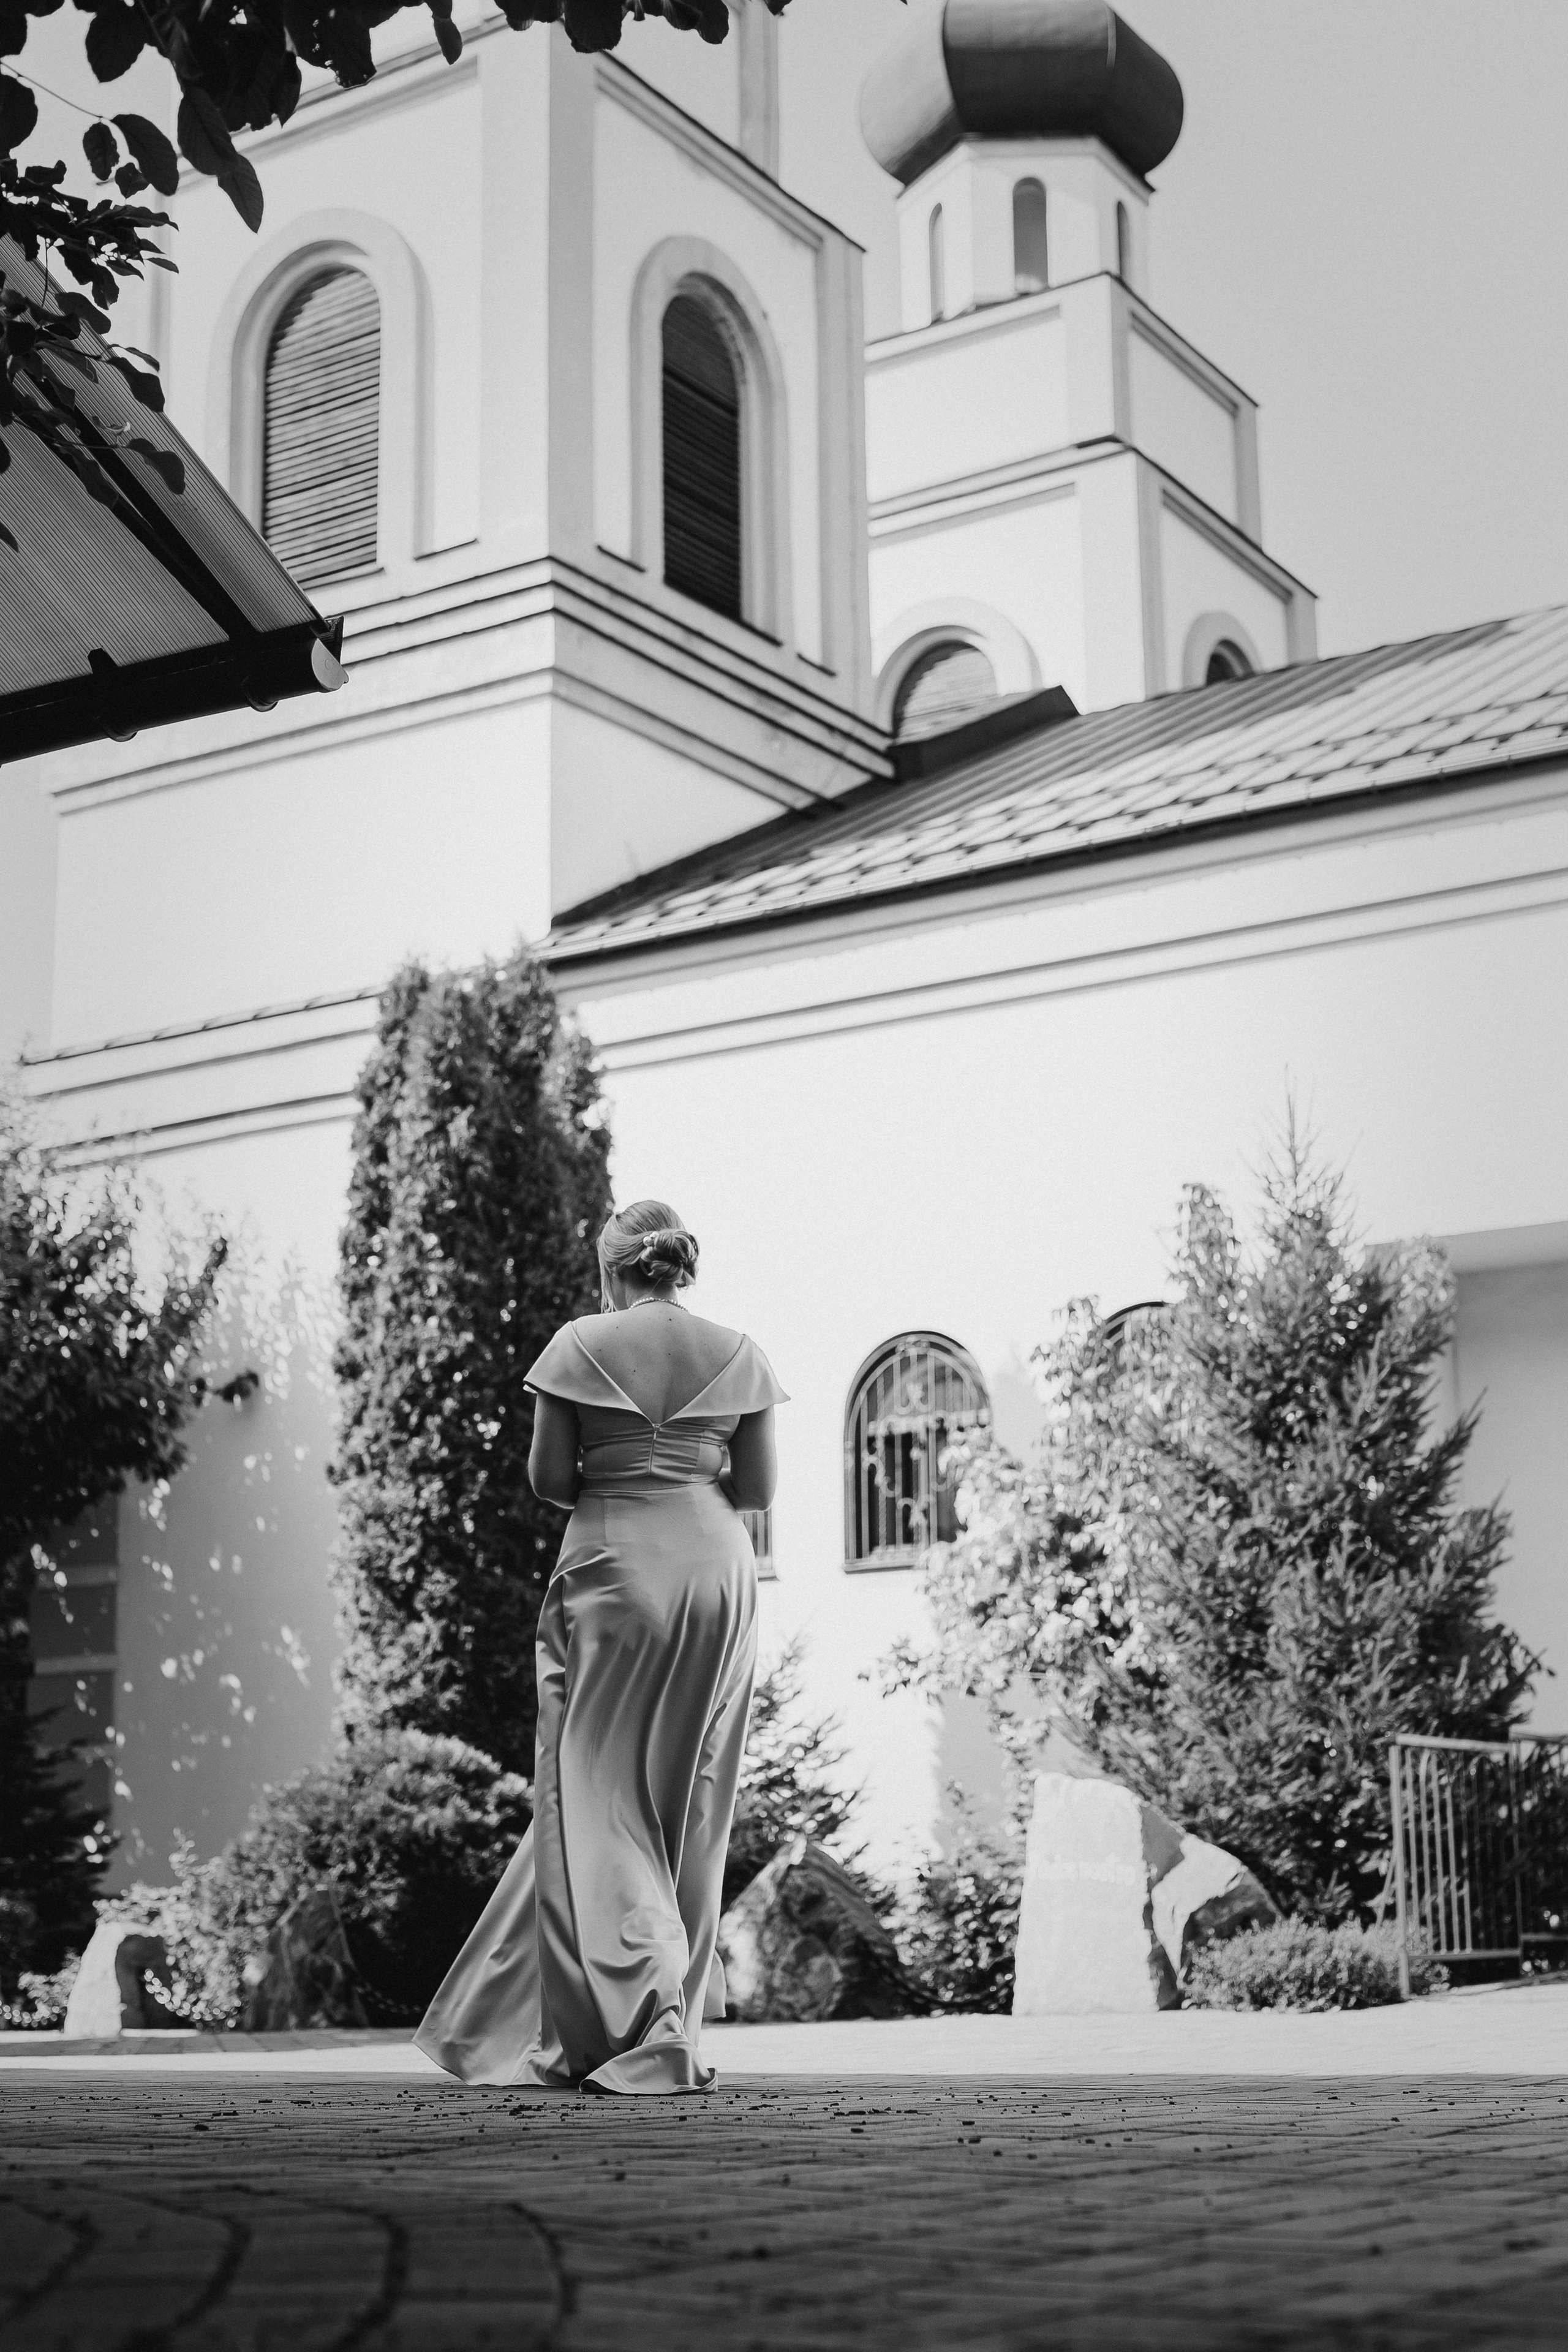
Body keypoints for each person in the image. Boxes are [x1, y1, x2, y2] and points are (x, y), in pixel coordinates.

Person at [415, 1199, 786, 2094]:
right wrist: (688, 1465)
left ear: (612, 1266)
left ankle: (649, 2017)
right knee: (687, 1798)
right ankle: (664, 2012)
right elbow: (759, 1488)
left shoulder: (579, 1347)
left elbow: (550, 1480)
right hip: (715, 1574)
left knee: (598, 1793)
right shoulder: (740, 1353)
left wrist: (623, 1466)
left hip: (616, 1569)